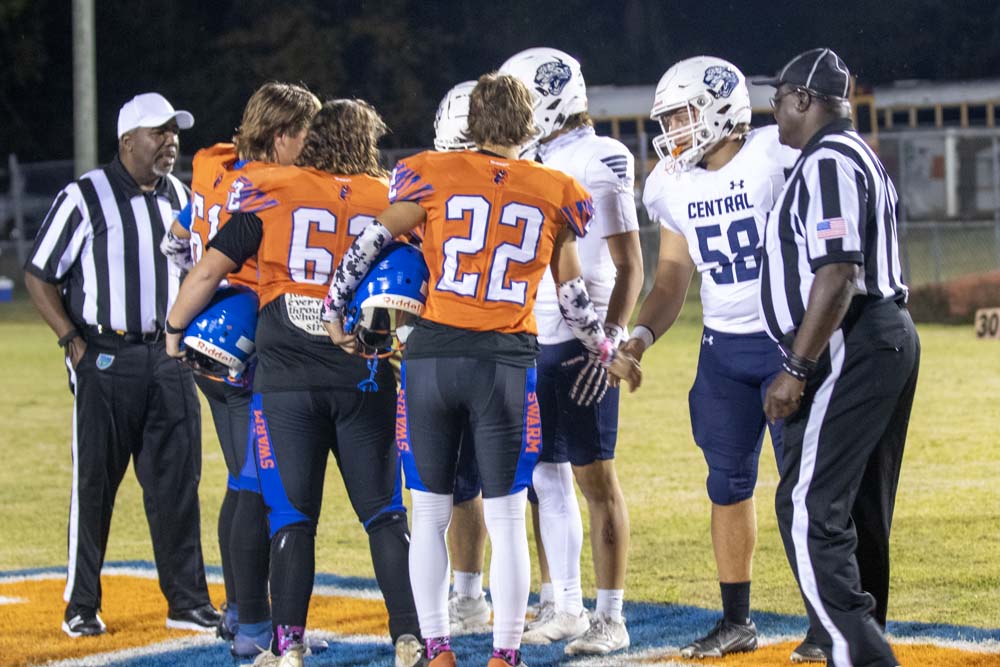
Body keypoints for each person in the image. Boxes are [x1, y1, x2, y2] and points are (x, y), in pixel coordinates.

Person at [321, 73, 642, 667]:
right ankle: (504, 655)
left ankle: (438, 648)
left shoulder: (431, 172)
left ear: (472, 124)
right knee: (507, 514)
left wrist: (334, 307)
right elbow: (572, 298)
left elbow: (370, 241)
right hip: (504, 362)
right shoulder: (554, 187)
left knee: (430, 513)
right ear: (530, 125)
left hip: (432, 359)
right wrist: (605, 349)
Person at [164, 99, 423, 667]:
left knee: (291, 519)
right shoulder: (388, 198)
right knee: (385, 515)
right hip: (363, 375)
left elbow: (207, 270)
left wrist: (175, 330)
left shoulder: (270, 188)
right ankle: (409, 636)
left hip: (286, 382)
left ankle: (288, 645)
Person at [619, 57, 820, 660]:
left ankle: (826, 620)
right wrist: (639, 338)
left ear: (719, 107)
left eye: (681, 115)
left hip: (787, 342)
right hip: (723, 352)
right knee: (726, 486)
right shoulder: (672, 182)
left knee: (807, 491)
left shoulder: (776, 153)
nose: (672, 130)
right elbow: (670, 279)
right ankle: (737, 621)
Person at [23, 92, 219, 637]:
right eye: (159, 132)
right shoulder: (85, 196)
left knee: (178, 484)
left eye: (174, 132)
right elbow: (39, 273)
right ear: (127, 140)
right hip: (106, 356)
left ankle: (187, 602)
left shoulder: (182, 195)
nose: (171, 142)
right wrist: (71, 341)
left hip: (170, 357)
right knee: (95, 486)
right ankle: (81, 604)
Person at [756, 48, 919, 667]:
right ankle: (853, 639)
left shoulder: (827, 160)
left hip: (850, 338)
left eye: (778, 100)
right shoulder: (858, 154)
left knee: (806, 508)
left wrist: (796, 367)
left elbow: (839, 272)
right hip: (879, 334)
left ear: (804, 98)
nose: (774, 113)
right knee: (856, 507)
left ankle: (858, 652)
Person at [159, 82, 324, 656]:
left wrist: (196, 305)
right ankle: (253, 624)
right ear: (280, 135)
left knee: (242, 479)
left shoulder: (214, 166)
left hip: (211, 338)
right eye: (305, 135)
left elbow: (175, 239)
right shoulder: (265, 183)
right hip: (244, 346)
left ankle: (241, 612)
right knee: (255, 484)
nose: (312, 148)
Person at [499, 47, 644, 656]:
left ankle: (611, 616)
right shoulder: (530, 161)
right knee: (543, 478)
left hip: (582, 343)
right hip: (533, 336)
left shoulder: (601, 156)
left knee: (594, 478)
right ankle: (566, 605)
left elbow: (629, 263)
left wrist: (610, 338)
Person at [431, 79, 494, 635]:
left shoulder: (427, 183)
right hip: (509, 352)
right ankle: (474, 601)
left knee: (445, 488)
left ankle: (454, 607)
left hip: (446, 353)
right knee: (491, 489)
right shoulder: (530, 181)